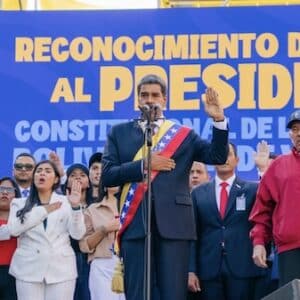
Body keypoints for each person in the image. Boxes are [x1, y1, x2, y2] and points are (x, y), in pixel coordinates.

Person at [101, 74, 229, 300]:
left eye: (155, 95)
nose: (149, 100)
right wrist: (144, 165)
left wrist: (218, 120)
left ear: (165, 99)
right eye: (144, 95)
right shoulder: (119, 133)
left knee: (173, 295)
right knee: (139, 294)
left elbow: (217, 156)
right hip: (136, 227)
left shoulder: (183, 135)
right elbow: (108, 175)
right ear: (137, 100)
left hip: (175, 227)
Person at [188, 143, 267, 300]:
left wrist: (263, 171)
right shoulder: (198, 193)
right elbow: (192, 235)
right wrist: (191, 270)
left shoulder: (251, 190)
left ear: (237, 160)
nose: (225, 158)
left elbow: (267, 201)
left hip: (242, 267)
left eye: (229, 154)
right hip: (209, 269)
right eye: (221, 153)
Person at [8, 160, 86, 300]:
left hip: (61, 269)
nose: (42, 173)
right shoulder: (18, 203)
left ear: (56, 179)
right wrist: (44, 210)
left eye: (47, 171)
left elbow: (77, 234)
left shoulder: (66, 202)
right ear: (34, 177)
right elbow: (14, 230)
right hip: (28, 269)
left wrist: (75, 208)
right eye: (39, 171)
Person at [249, 110, 300, 288]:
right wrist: (259, 243)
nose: (299, 132)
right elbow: (262, 211)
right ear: (290, 135)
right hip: (290, 252)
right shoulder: (278, 166)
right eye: (295, 129)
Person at [79, 184, 125, 300]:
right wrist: (104, 229)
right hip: (102, 265)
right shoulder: (92, 209)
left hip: (130, 263)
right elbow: (84, 246)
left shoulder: (133, 205)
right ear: (104, 185)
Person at [63, 163, 94, 300]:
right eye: (73, 175)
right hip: (64, 259)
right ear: (66, 181)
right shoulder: (60, 204)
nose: (78, 178)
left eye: (82, 175)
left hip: (90, 260)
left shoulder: (96, 205)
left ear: (89, 181)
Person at [0, 177, 20, 300]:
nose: (5, 192)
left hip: (14, 273)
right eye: (1, 189)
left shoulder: (23, 218)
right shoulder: (19, 225)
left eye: (9, 189)